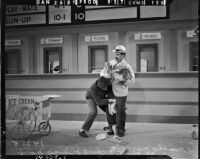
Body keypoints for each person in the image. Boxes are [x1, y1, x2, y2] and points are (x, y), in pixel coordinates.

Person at [107, 45, 135, 137]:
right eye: (116, 54)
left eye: (118, 54)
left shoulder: (127, 66)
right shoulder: (111, 63)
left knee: (120, 112)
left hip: (121, 93)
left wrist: (122, 81)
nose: (116, 56)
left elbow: (132, 80)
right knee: (110, 110)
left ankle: (121, 130)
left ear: (123, 56)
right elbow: (104, 72)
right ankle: (113, 129)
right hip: (111, 91)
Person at [79, 70, 115, 138]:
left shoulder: (109, 83)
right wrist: (110, 100)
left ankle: (112, 127)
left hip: (102, 98)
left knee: (109, 110)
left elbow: (111, 95)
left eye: (105, 88)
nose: (105, 90)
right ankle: (82, 130)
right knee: (93, 112)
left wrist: (112, 103)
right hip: (91, 97)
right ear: (99, 86)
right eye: (103, 89)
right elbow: (99, 102)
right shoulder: (93, 88)